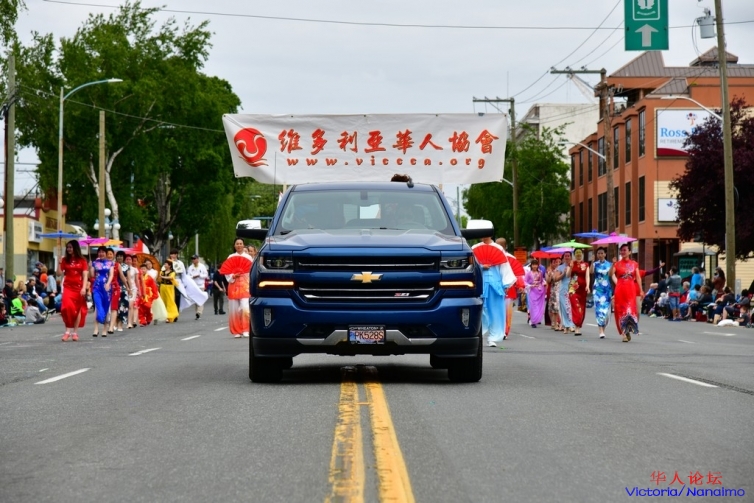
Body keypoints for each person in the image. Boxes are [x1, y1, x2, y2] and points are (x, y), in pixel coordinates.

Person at [472, 235, 507, 346]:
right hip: (480, 283)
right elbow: (471, 265)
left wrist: (506, 283)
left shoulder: (498, 248)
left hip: (494, 284)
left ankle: (493, 337)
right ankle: (477, 334)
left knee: (495, 311)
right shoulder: (475, 248)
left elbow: (504, 267)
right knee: (480, 311)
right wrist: (482, 266)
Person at [610, 244, 643, 342]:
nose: (623, 252)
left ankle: (628, 329)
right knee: (621, 311)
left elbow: (638, 277)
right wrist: (612, 264)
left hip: (631, 290)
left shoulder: (634, 264)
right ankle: (624, 333)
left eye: (625, 250)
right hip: (620, 290)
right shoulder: (617, 264)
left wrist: (641, 290)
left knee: (630, 311)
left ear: (629, 252)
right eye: (621, 250)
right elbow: (610, 274)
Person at [58, 239, 89, 342]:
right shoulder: (64, 260)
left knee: (77, 309)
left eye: (70, 247)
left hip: (78, 288)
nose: (69, 249)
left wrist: (84, 288)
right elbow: (58, 273)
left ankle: (74, 332)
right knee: (66, 308)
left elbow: (85, 275)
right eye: (68, 247)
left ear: (75, 248)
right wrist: (59, 263)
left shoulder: (82, 260)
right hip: (67, 287)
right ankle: (67, 331)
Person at [225, 238, 253, 338]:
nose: (239, 245)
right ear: (234, 245)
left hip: (245, 286)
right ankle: (236, 331)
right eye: (237, 243)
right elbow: (226, 271)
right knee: (234, 309)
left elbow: (251, 272)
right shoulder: (230, 257)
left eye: (241, 243)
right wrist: (232, 276)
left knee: (245, 308)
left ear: (243, 245)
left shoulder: (248, 258)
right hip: (233, 286)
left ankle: (246, 329)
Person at [90, 246, 114, 337]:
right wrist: (90, 267)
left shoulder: (110, 263)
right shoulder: (95, 263)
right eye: (99, 252)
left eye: (103, 252)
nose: (101, 253)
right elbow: (91, 275)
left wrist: (108, 283)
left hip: (107, 288)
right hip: (97, 287)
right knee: (97, 306)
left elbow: (111, 275)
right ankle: (96, 329)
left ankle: (104, 329)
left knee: (106, 307)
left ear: (106, 253)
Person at [568, 249, 590, 336]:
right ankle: (576, 325)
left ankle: (578, 326)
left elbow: (587, 276)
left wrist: (588, 286)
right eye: (576, 253)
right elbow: (568, 275)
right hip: (573, 288)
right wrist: (570, 267)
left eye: (580, 253)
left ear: (582, 254)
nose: (578, 254)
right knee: (576, 306)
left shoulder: (586, 264)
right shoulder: (571, 263)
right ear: (574, 255)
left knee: (582, 307)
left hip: (582, 289)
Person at [591, 247, 612, 339]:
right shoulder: (595, 264)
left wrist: (614, 265)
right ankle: (601, 331)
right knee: (599, 310)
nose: (600, 255)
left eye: (601, 253)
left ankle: (603, 329)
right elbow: (591, 272)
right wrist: (592, 262)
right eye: (598, 253)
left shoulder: (609, 264)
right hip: (597, 289)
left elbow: (611, 274)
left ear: (605, 254)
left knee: (606, 311)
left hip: (607, 289)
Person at [553, 251, 575, 334]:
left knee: (572, 308)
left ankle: (572, 325)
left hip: (573, 288)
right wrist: (563, 273)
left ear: (571, 257)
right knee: (565, 308)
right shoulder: (560, 267)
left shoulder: (575, 266)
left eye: (568, 256)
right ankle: (566, 325)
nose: (567, 257)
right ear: (563, 257)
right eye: (565, 256)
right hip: (563, 289)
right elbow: (555, 279)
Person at [524, 259, 546, 327]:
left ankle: (536, 319)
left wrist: (544, 283)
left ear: (538, 265)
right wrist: (530, 285)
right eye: (533, 265)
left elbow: (542, 280)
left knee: (539, 306)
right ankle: (533, 321)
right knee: (533, 306)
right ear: (531, 265)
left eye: (536, 265)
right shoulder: (529, 273)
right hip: (532, 290)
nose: (534, 266)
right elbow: (525, 281)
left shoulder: (540, 273)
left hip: (539, 290)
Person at [187, 254, 209, 320]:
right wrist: (193, 276)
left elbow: (206, 275)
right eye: (192, 259)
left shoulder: (202, 266)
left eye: (194, 259)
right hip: (193, 285)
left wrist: (200, 275)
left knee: (200, 298)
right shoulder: (190, 267)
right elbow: (188, 276)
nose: (193, 260)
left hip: (200, 285)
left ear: (197, 259)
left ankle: (199, 312)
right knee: (196, 299)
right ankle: (197, 312)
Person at [546, 257, 562, 331]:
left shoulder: (561, 270)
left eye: (559, 262)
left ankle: (558, 323)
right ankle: (554, 323)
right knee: (553, 308)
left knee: (558, 308)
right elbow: (548, 281)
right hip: (553, 291)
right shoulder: (551, 271)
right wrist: (549, 275)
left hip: (560, 290)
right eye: (555, 262)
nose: (557, 263)